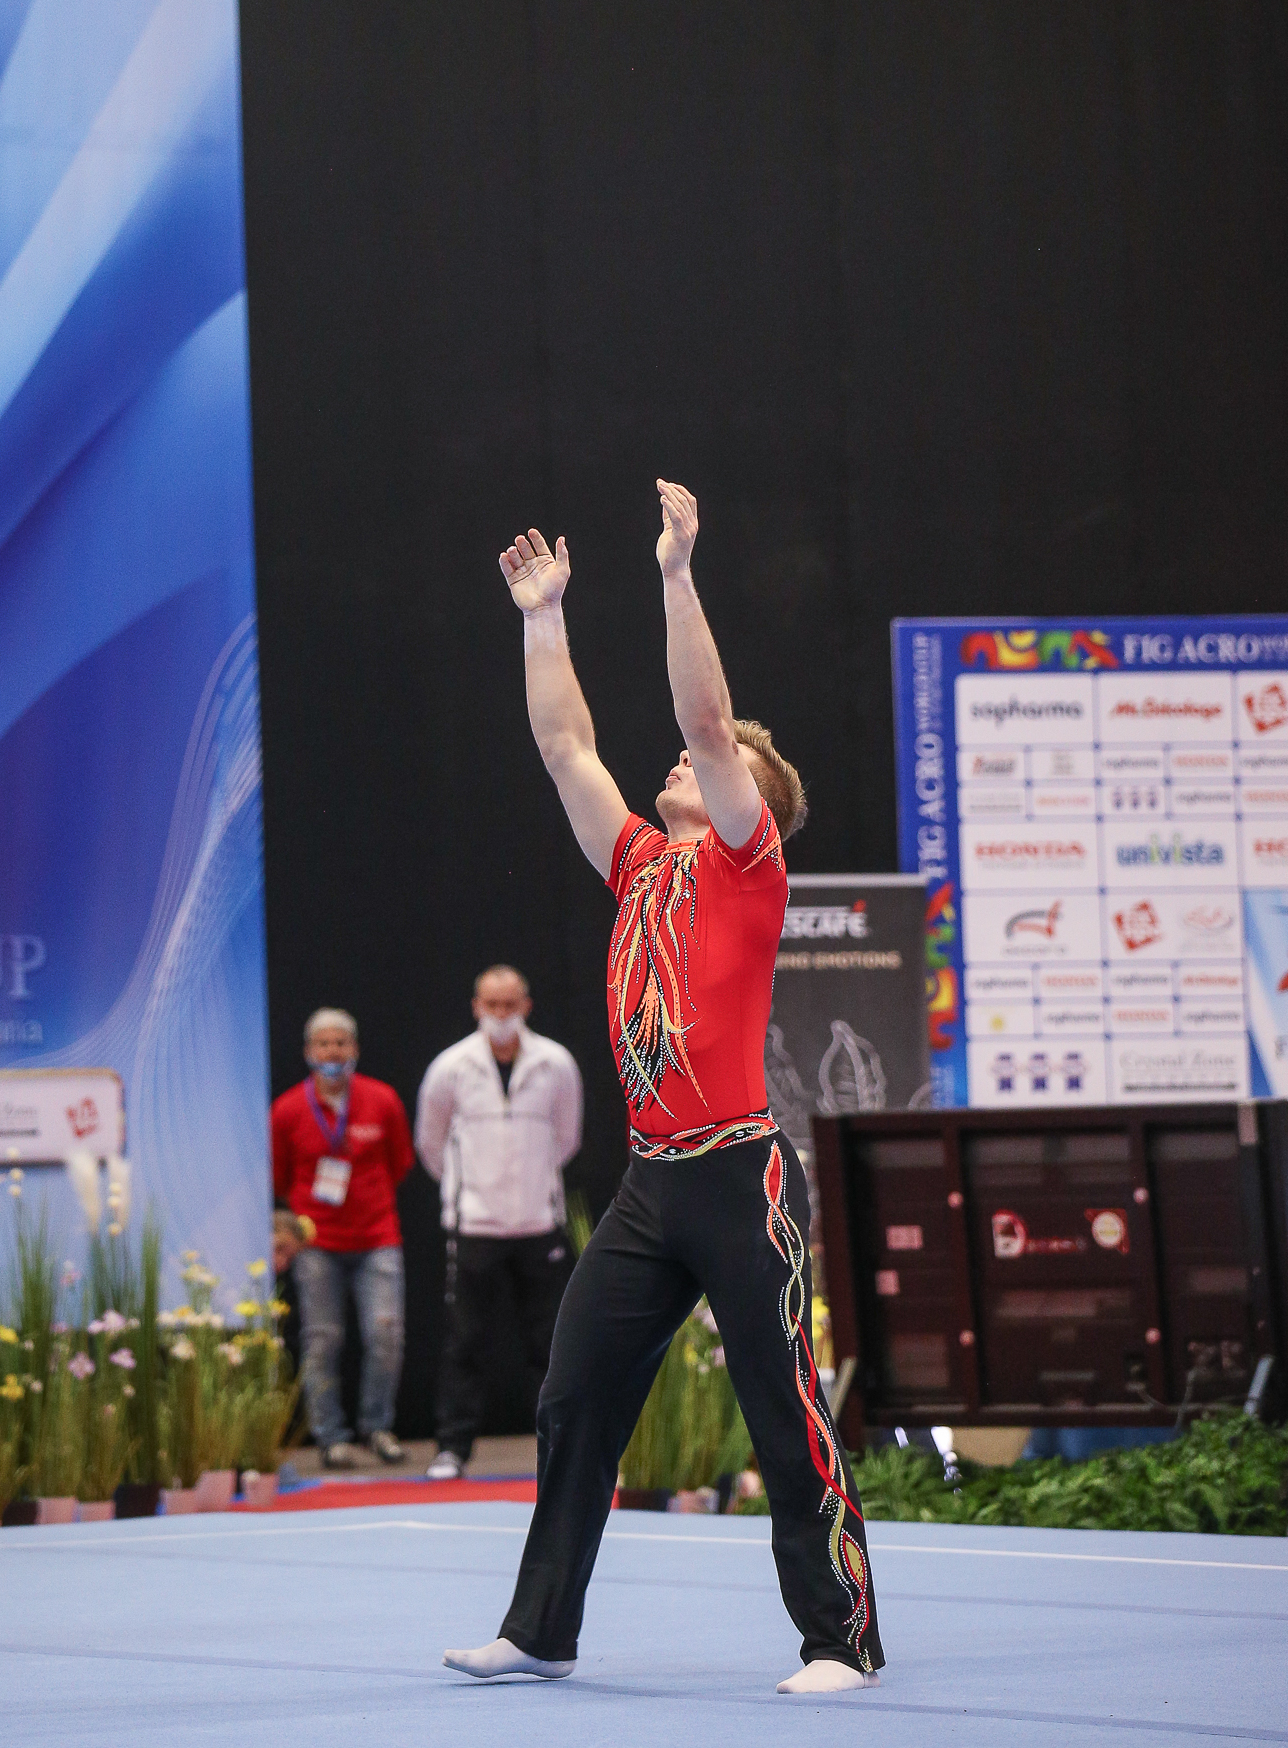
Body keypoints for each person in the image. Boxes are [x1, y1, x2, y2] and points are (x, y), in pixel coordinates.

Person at [442, 482, 884, 1693]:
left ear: (754, 800)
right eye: (690, 762)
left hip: (740, 1176)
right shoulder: (639, 862)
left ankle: (839, 1637)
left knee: (780, 1406)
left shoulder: (747, 863)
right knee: (574, 1395)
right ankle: (541, 1630)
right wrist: (544, 620)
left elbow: (706, 717)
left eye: (713, 763)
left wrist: (677, 575)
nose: (682, 760)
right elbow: (564, 748)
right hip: (650, 1186)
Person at [416, 966, 584, 1482]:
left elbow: (567, 1138)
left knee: (550, 1344)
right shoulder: (450, 1067)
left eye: (510, 1005)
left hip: (539, 1224)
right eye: (492, 1005)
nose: (501, 1014)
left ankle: (558, 1448)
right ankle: (452, 1448)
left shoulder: (555, 1063)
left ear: (526, 1006)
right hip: (476, 1226)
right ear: (476, 1007)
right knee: (464, 1342)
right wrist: (469, 1191)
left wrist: (535, 1186)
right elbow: (431, 1142)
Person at [270, 1007, 415, 1469]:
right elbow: (279, 1177)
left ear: (354, 1049)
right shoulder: (288, 1109)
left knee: (385, 1335)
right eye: (323, 1044)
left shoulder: (382, 1100)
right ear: (308, 1052)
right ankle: (330, 1437)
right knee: (322, 1340)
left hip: (377, 1237)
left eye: (340, 1043)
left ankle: (377, 1428)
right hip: (317, 1244)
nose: (332, 1052)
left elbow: (401, 1162)